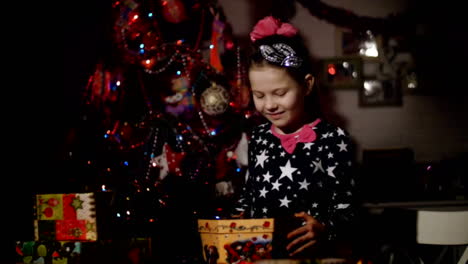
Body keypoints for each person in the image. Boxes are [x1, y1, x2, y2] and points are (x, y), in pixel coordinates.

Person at [232, 16, 357, 260]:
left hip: (315, 257)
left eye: (280, 93)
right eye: (259, 95)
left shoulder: (333, 139)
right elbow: (250, 193)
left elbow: (348, 209)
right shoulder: (258, 137)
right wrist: (238, 217)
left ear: (307, 85)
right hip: (263, 257)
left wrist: (325, 229)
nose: (269, 105)